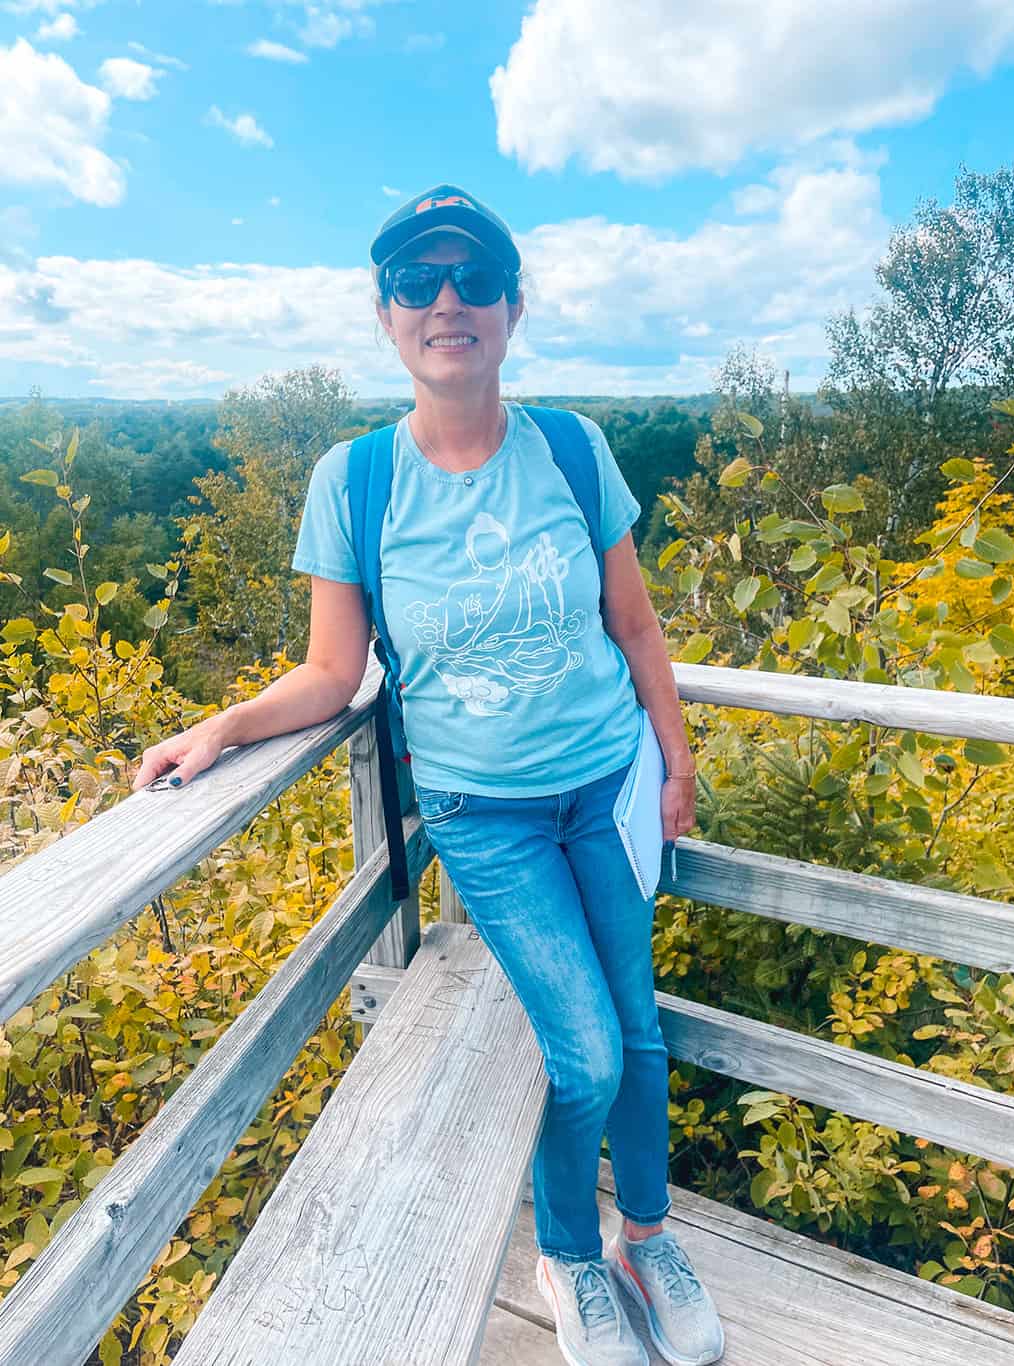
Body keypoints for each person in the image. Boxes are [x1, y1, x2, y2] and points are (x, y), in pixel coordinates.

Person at [131, 183, 725, 1366]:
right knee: (587, 1050)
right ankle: (569, 1260)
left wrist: (673, 759)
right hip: (485, 814)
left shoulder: (571, 446)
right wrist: (229, 724)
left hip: (605, 786)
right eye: (417, 281)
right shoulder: (353, 481)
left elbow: (640, 628)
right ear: (387, 313)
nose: (446, 301)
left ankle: (644, 1238)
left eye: (472, 280)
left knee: (642, 1037)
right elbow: (331, 672)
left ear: (512, 306)